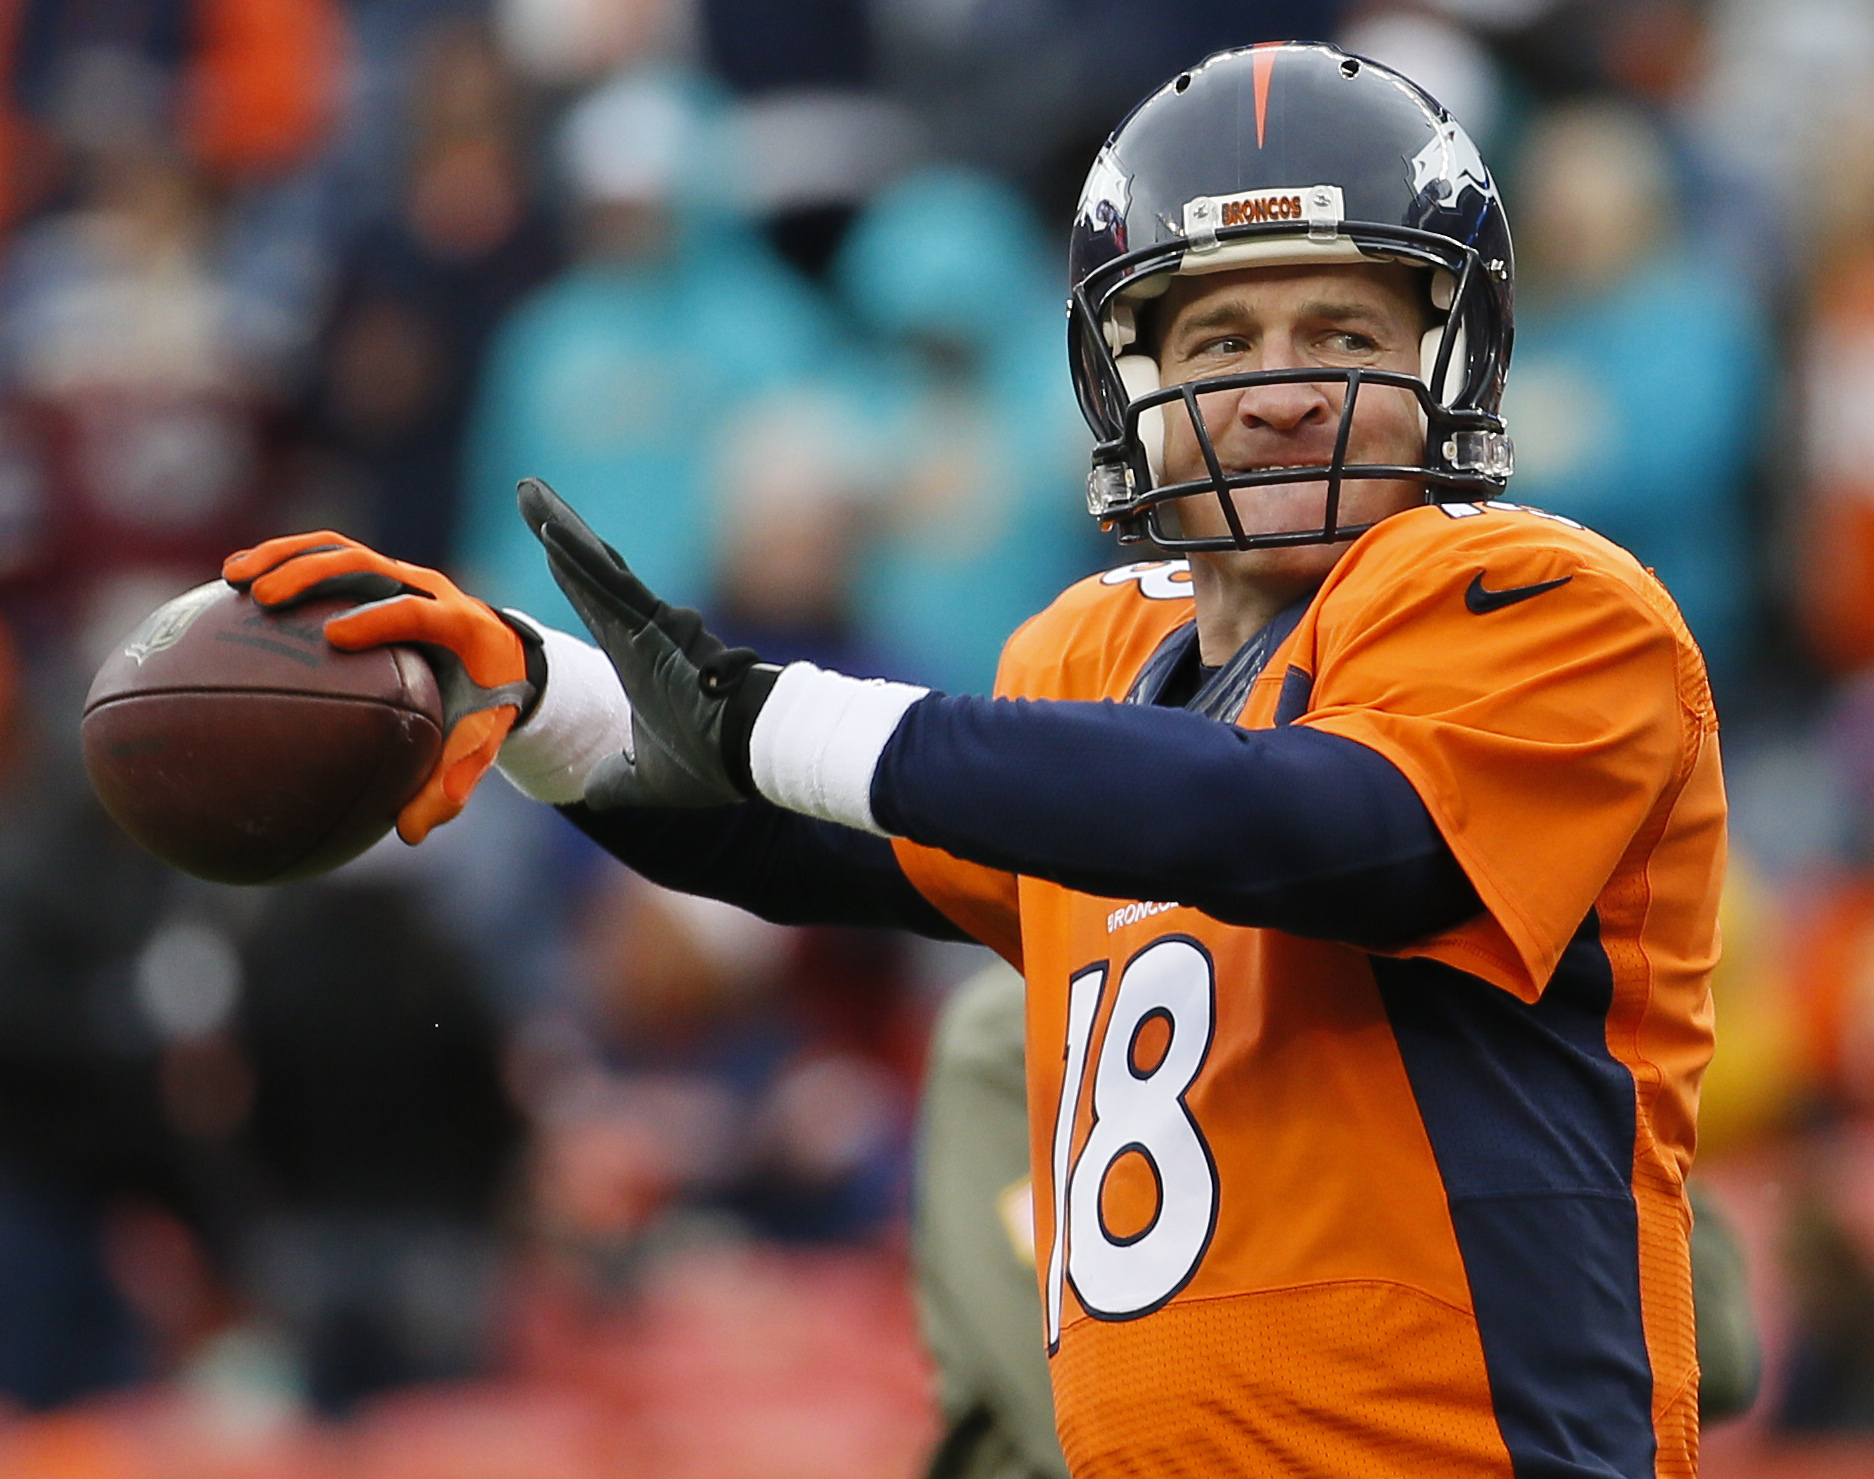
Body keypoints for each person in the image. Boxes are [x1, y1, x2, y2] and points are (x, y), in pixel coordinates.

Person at [220, 43, 1724, 1476]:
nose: (1280, 387)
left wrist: (764, 710)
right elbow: (820, 831)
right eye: (1219, 338)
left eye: (1345, 332)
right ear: (1120, 377)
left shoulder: (1551, 607)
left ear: (1452, 359)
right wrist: (543, 697)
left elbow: (1306, 824)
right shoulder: (1085, 658)